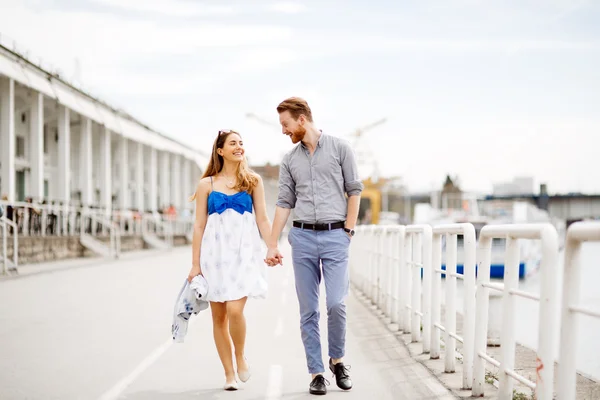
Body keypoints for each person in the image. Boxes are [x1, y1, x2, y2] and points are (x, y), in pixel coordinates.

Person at [265, 97, 363, 395]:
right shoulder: (289, 159)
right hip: (303, 237)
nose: (283, 130)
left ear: (302, 120)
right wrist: (272, 244)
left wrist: (348, 229)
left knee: (336, 303)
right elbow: (284, 203)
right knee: (308, 310)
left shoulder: (340, 148)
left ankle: (337, 359)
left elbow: (354, 190)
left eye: (286, 124)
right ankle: (317, 372)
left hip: (336, 236)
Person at [187, 129, 271, 391]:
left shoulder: (253, 181)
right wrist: (195, 264)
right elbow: (199, 226)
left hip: (244, 254)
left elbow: (263, 219)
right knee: (219, 317)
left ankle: (239, 355)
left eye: (241, 143)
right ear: (220, 151)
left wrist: (272, 246)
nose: (239, 146)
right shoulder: (206, 185)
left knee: (235, 310)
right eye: (233, 143)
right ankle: (228, 374)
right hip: (214, 256)